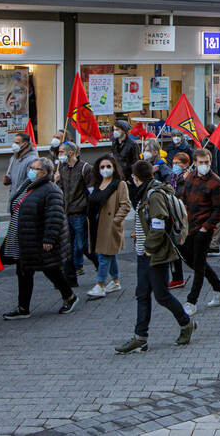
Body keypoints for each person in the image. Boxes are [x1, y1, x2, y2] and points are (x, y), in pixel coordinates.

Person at [114, 160, 196, 353]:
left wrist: (150, 246)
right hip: (145, 252)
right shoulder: (146, 193)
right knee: (142, 294)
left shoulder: (154, 194)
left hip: (156, 253)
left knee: (161, 295)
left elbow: (158, 223)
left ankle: (186, 324)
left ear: (136, 178)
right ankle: (140, 337)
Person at [1, 157, 78, 320]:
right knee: (23, 272)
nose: (31, 170)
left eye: (35, 168)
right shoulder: (28, 186)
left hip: (39, 239)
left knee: (51, 270)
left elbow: (54, 216)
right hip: (25, 239)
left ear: (44, 173)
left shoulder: (51, 190)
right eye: (31, 167)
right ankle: (23, 308)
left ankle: (70, 296)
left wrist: (49, 239)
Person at [177, 149, 220, 316]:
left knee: (199, 265)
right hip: (189, 226)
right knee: (190, 259)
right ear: (194, 163)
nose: (204, 165)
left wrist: (206, 227)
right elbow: (184, 198)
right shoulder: (190, 177)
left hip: (203, 229)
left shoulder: (216, 182)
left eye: (206, 162)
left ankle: (192, 301)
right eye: (201, 163)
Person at [86, 155, 130, 299]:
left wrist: (116, 221)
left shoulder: (119, 184)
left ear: (114, 168)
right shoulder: (98, 184)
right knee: (107, 254)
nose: (105, 170)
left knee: (104, 255)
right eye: (102, 167)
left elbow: (125, 205)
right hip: (97, 225)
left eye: (108, 166)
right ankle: (115, 281)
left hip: (110, 225)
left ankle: (100, 284)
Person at [56, 141, 96, 283]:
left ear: (70, 153)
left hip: (80, 213)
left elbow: (92, 191)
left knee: (83, 246)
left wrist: (89, 212)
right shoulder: (63, 169)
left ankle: (100, 264)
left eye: (61, 152)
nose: (58, 155)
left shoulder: (85, 168)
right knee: (68, 248)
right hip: (67, 213)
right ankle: (70, 279)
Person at [4, 132, 38, 198]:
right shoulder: (13, 159)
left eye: (17, 143)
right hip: (14, 196)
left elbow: (32, 180)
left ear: (25, 144)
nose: (14, 145)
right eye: (14, 142)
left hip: (25, 197)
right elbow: (11, 176)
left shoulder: (32, 160)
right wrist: (8, 180)